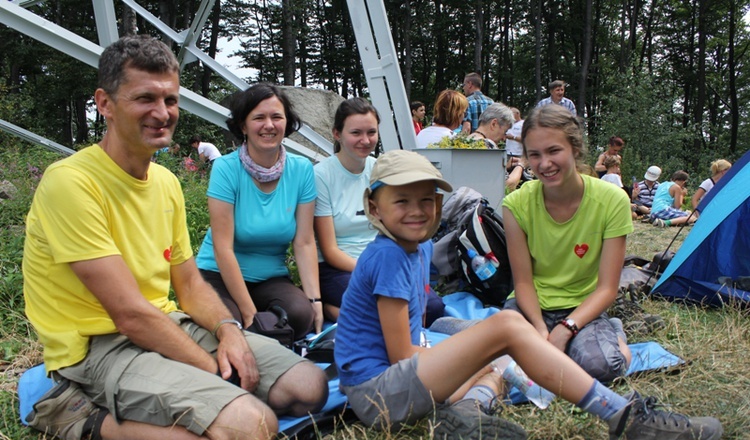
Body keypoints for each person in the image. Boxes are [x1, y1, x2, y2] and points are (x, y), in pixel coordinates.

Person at [22, 35, 327, 440]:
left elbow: (187, 281)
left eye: (170, 99)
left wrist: (228, 330)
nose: (162, 113)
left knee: (309, 387)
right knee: (253, 430)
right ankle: (82, 418)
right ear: (104, 103)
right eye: (145, 98)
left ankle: (203, 385)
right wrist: (212, 368)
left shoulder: (165, 183)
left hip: (166, 322)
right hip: (97, 347)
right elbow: (128, 313)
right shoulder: (71, 183)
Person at [335, 148, 721, 440]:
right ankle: (625, 418)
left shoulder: (415, 247)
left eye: (426, 200)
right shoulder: (387, 256)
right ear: (374, 207)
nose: (417, 211)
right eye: (401, 200)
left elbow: (417, 337)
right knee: (504, 329)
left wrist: (472, 355)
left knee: (498, 351)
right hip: (379, 396)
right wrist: (469, 352)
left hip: (398, 384)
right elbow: (402, 353)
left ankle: (466, 412)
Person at [502, 105, 632, 383]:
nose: (544, 164)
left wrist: (566, 328)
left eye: (553, 151)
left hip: (582, 310)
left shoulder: (612, 200)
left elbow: (608, 288)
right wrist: (540, 330)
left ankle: (613, 332)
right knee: (501, 362)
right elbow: (523, 282)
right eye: (534, 155)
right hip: (530, 308)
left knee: (603, 367)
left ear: (574, 148)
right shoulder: (516, 204)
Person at [196, 83, 324, 339]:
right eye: (259, 118)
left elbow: (305, 241)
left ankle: (265, 333)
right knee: (229, 325)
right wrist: (248, 312)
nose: (269, 125)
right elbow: (223, 248)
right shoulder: (225, 169)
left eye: (277, 117)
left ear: (287, 123)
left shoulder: (301, 170)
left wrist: (315, 300)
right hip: (218, 273)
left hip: (270, 277)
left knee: (301, 315)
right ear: (243, 126)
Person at [314, 98, 445, 324]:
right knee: (381, 311)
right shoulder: (321, 176)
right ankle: (331, 310)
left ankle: (346, 315)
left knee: (431, 307)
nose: (365, 140)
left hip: (384, 260)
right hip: (338, 268)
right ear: (337, 134)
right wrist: (372, 270)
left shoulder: (381, 170)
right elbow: (329, 250)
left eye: (371, 132)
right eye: (356, 133)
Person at [467, 103, 525, 190]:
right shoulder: (488, 146)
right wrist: (522, 164)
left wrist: (504, 166)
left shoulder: (466, 140)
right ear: (494, 124)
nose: (503, 138)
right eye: (505, 132)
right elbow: (507, 185)